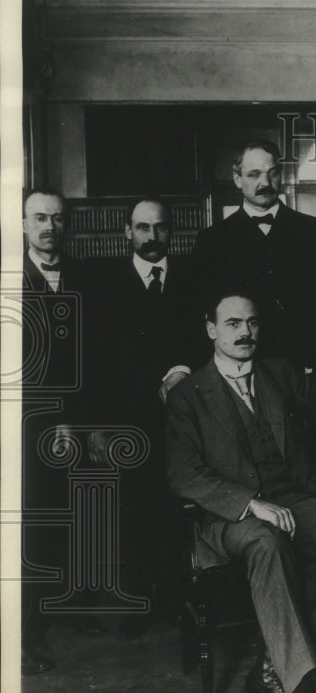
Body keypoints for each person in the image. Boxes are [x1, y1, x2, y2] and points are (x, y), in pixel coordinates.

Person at [164, 290, 316, 693]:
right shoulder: (188, 395)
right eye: (232, 324)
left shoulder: (282, 373)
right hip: (226, 517)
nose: (244, 333)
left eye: (251, 323)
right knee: (267, 542)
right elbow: (183, 474)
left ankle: (273, 664)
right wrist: (249, 504)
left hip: (292, 496)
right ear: (211, 330)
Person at [86, 198, 203, 638]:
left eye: (159, 228)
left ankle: (176, 599)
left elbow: (203, 337)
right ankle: (140, 600)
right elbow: (93, 358)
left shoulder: (191, 278)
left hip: (183, 418)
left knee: (177, 506)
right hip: (125, 418)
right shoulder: (106, 283)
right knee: (134, 508)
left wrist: (181, 369)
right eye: (142, 228)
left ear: (172, 231)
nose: (151, 237)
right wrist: (97, 423)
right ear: (127, 232)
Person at [21, 188, 101, 674]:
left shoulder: (85, 275)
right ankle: (26, 631)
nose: (49, 226)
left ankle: (73, 605)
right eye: (39, 218)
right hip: (29, 424)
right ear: (24, 224)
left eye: (57, 218)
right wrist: (54, 420)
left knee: (79, 512)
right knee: (32, 525)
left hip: (79, 419)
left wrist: (83, 422)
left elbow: (94, 357)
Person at [190, 138, 316, 380]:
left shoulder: (312, 230)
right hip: (242, 374)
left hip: (306, 370)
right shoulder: (213, 240)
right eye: (254, 174)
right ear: (237, 179)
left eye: (272, 173)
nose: (265, 183)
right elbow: (202, 312)